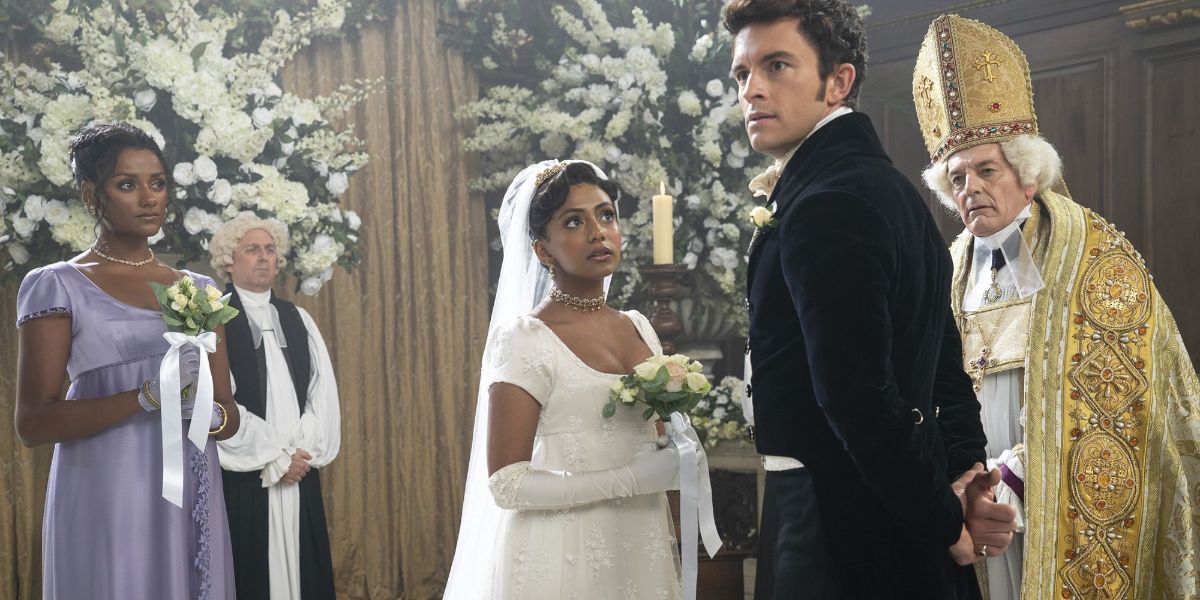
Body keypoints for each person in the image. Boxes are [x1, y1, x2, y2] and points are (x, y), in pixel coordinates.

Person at [723, 1, 1017, 597]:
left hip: (841, 534)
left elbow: (856, 395)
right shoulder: (895, 192)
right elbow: (946, 368)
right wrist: (963, 475)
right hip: (907, 511)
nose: (752, 90)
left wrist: (942, 520)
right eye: (742, 73)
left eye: (777, 66)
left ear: (839, 82)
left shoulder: (828, 203)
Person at [914, 14, 1200, 599]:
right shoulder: (947, 264)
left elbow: (1122, 393)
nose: (970, 188)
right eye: (958, 176)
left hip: (1050, 490)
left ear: (1027, 172)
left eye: (986, 170)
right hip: (963, 499)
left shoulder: (1093, 254)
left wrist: (1015, 477)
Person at [14, 120, 239, 599]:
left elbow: (229, 417)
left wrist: (203, 412)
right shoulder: (56, 284)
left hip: (188, 493)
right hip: (106, 491)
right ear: (92, 196)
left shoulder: (197, 291)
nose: (149, 198)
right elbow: (33, 423)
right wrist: (145, 398)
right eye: (126, 185)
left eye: (157, 183)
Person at [443, 160, 684, 599]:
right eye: (575, 221)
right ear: (543, 251)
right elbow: (507, 483)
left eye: (606, 214)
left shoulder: (639, 327)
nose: (598, 232)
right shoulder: (525, 339)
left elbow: (659, 443)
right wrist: (627, 480)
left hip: (639, 544)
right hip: (562, 556)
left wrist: (682, 456)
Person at [211, 214, 341, 600]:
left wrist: (300, 453)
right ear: (228, 260)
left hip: (299, 468)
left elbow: (323, 393)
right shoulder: (215, 319)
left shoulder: (297, 318)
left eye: (270, 250)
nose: (264, 257)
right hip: (250, 473)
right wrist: (274, 457)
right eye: (252, 249)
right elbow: (219, 402)